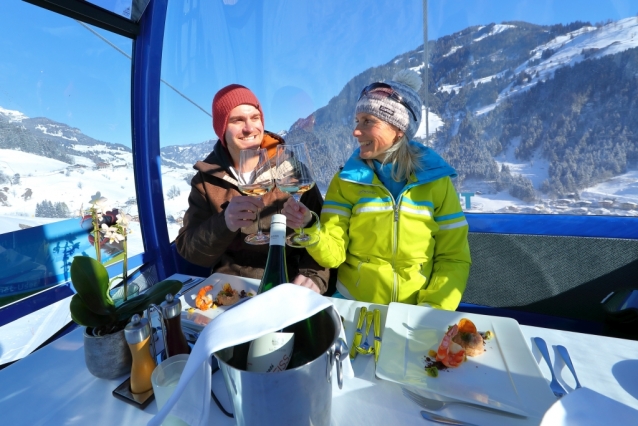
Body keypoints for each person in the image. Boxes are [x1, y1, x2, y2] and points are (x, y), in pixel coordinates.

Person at [283, 70, 471, 309]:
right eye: (357, 121)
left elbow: (453, 258)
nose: (355, 131)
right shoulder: (346, 181)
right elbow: (334, 255)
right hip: (354, 303)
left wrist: (431, 310)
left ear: (399, 129)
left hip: (416, 308)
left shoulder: (437, 183)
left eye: (368, 121)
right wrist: (311, 227)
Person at [176, 84, 329, 294]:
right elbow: (190, 251)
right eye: (237, 120)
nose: (250, 128)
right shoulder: (206, 181)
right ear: (222, 128)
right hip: (232, 288)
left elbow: (324, 230)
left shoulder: (290, 168)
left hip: (288, 283)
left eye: (255, 118)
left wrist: (315, 275)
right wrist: (224, 222)